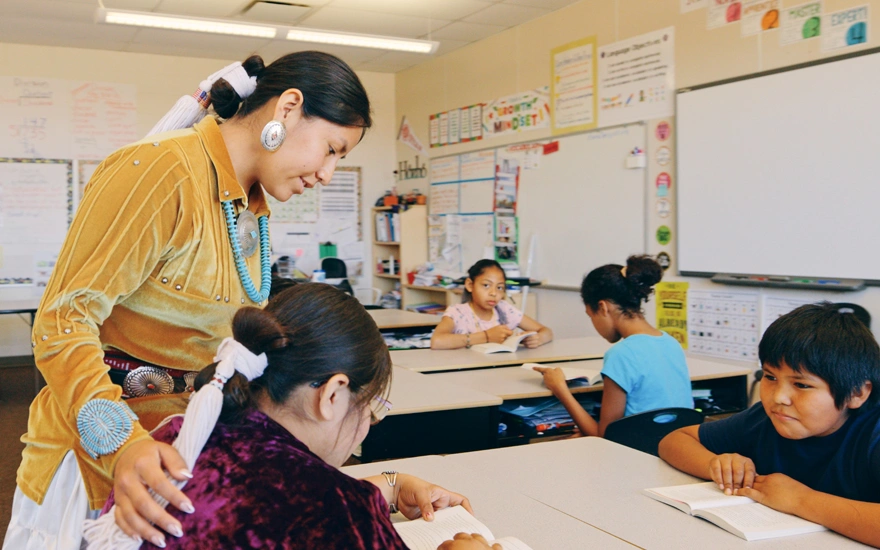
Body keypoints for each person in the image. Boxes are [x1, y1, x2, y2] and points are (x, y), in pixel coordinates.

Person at [7, 51, 371, 549]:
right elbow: (60, 323)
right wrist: (124, 448)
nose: (328, 173)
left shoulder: (251, 204)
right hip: (104, 464)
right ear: (287, 108)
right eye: (332, 148)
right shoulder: (162, 171)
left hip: (178, 454)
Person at [87, 283, 494, 549]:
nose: (367, 425)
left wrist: (389, 485)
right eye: (370, 406)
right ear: (333, 394)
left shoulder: (174, 440)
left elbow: (261, 492)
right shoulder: (335, 513)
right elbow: (301, 503)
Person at [658, 302, 880, 547]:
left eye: (802, 385)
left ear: (857, 393)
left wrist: (801, 500)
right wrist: (717, 466)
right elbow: (675, 440)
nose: (778, 397)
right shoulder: (766, 418)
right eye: (770, 377)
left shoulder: (873, 434)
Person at [535, 255, 692, 437]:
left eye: (590, 315)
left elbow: (604, 437)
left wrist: (559, 389)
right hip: (675, 447)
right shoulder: (671, 342)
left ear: (603, 308)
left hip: (637, 452)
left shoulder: (621, 354)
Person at [430, 259, 552, 350]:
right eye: (486, 285)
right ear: (470, 285)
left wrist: (538, 339)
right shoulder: (457, 313)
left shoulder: (504, 310)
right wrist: (486, 336)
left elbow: (546, 331)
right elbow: (437, 341)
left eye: (499, 287)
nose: (493, 293)